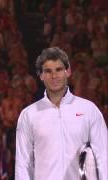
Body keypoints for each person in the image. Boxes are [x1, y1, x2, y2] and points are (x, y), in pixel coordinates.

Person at [15, 47, 108, 180]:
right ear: (41, 76)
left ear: (68, 71)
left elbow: (103, 156)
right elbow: (23, 163)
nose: (54, 76)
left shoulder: (89, 110)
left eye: (58, 70)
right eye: (48, 71)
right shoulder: (29, 115)